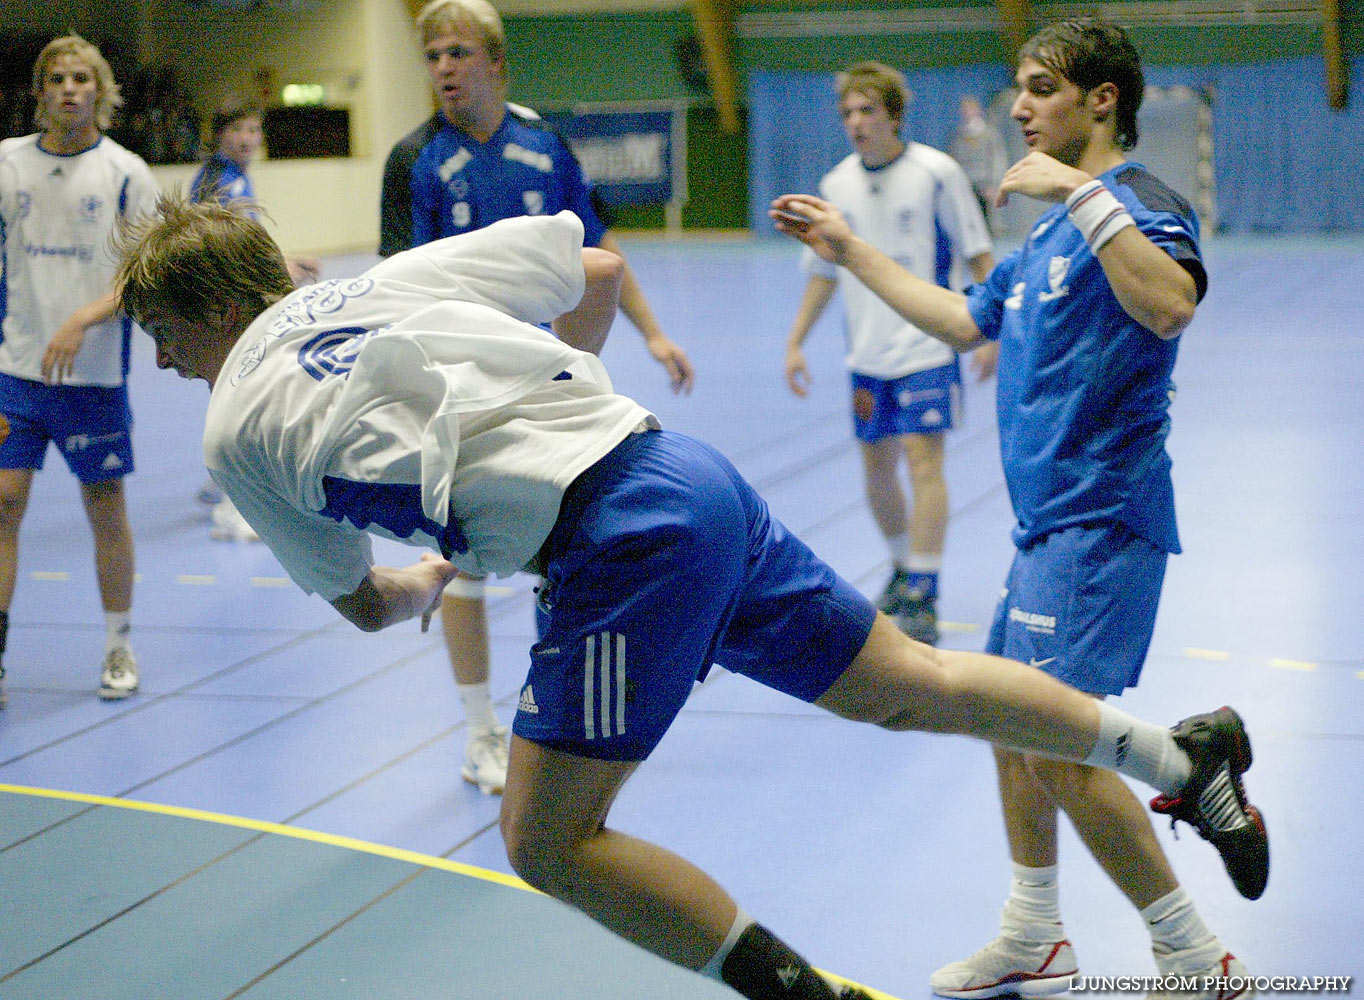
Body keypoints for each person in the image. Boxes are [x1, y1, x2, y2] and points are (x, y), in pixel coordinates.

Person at [115, 192, 1269, 1000]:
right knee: (905, 684)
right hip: (681, 471)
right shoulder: (387, 282)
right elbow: (600, 275)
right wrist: (570, 413)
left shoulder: (232, 429)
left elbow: (364, 606)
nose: (165, 364)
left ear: (216, 309)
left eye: (164, 335)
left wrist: (435, 568)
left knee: (545, 840)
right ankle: (1180, 757)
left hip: (619, 546)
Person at [773, 16, 1260, 998]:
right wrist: (846, 248)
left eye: (1040, 89)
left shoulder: (1130, 203)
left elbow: (1168, 304)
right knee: (1007, 723)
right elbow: (961, 319)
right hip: (1041, 527)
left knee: (1060, 744)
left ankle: (1192, 955)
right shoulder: (1042, 229)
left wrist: (1081, 193)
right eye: (1017, 89)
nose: (1020, 107)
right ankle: (1035, 929)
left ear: (1100, 100)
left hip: (1098, 521)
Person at [378, 0, 696, 796]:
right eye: (433, 56)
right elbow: (387, 290)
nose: (444, 68)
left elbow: (598, 249)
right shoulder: (413, 160)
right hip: (456, 389)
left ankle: (563, 716)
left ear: (494, 60)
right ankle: (480, 731)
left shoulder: (543, 145)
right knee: (463, 559)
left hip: (546, 382)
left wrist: (652, 333)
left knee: (567, 548)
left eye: (458, 52)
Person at [783, 62, 996, 646]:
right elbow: (823, 273)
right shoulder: (835, 186)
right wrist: (797, 340)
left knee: (924, 462)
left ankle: (925, 590)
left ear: (894, 115)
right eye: (848, 113)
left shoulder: (936, 172)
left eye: (867, 110)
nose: (855, 123)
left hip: (929, 344)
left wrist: (993, 330)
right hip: (867, 354)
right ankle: (904, 565)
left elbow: (979, 254)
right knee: (876, 468)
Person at [0, 34, 157, 708]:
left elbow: (145, 275)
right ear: (39, 92)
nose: (69, 88)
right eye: (56, 78)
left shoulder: (126, 172)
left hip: (92, 380)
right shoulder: (7, 164)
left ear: (100, 91)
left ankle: (119, 643)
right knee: (4, 502)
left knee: (104, 508)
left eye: (81, 78)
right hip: (15, 371)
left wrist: (83, 317)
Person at [189, 99, 321, 541]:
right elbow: (225, 244)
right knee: (243, 391)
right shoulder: (222, 182)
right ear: (220, 134)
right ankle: (236, 506)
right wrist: (279, 263)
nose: (247, 138)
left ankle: (221, 479)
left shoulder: (225, 175)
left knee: (232, 389)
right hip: (222, 305)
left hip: (224, 300)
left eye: (254, 129)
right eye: (238, 130)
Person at [949, 96, 1010, 235]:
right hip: (966, 185)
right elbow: (954, 162)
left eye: (970, 109)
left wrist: (994, 185)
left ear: (977, 111)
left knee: (987, 226)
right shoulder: (958, 136)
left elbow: (997, 160)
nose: (967, 113)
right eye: (964, 110)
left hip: (985, 186)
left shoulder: (990, 135)